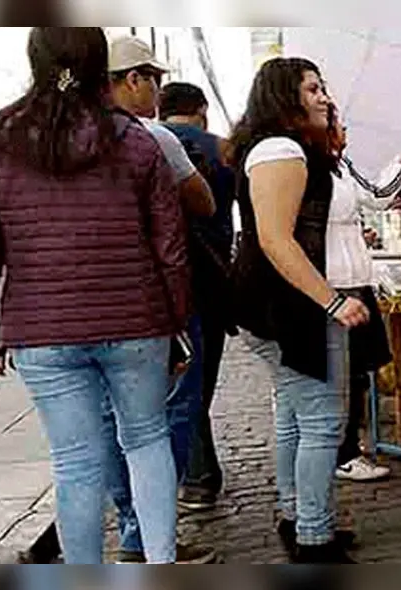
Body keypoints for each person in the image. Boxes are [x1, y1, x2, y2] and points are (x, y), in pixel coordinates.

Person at [0, 27, 188, 564]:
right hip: (136, 321)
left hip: (42, 330)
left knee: (75, 462)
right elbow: (171, 246)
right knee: (146, 440)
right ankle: (160, 560)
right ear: (100, 65)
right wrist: (178, 325)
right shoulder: (134, 139)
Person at [227, 57, 369, 564]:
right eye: (312, 89)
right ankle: (314, 537)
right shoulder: (280, 150)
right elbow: (274, 238)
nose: (325, 97)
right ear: (284, 97)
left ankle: (299, 517)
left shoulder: (285, 149)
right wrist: (331, 300)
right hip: (290, 308)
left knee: (295, 415)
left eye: (323, 87)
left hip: (279, 305)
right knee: (321, 421)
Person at [105, 35, 218, 564]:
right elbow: (203, 202)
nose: (157, 89)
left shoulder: (46, 140)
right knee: (166, 416)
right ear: (133, 80)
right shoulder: (153, 137)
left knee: (103, 427)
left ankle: (131, 528)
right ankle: (148, 540)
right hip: (153, 302)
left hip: (77, 312)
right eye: (153, 78)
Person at [327, 113, 401, 484]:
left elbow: (376, 197)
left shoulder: (339, 164)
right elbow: (378, 196)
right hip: (337, 285)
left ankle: (346, 447)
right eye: (339, 123)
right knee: (345, 373)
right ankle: (343, 451)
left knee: (357, 370)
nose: (347, 131)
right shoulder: (308, 165)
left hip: (354, 278)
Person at [159, 81, 237, 511]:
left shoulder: (148, 144)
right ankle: (199, 475)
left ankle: (198, 474)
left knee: (179, 384)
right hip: (213, 278)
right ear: (202, 109)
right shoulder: (223, 149)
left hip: (164, 282)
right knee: (198, 383)